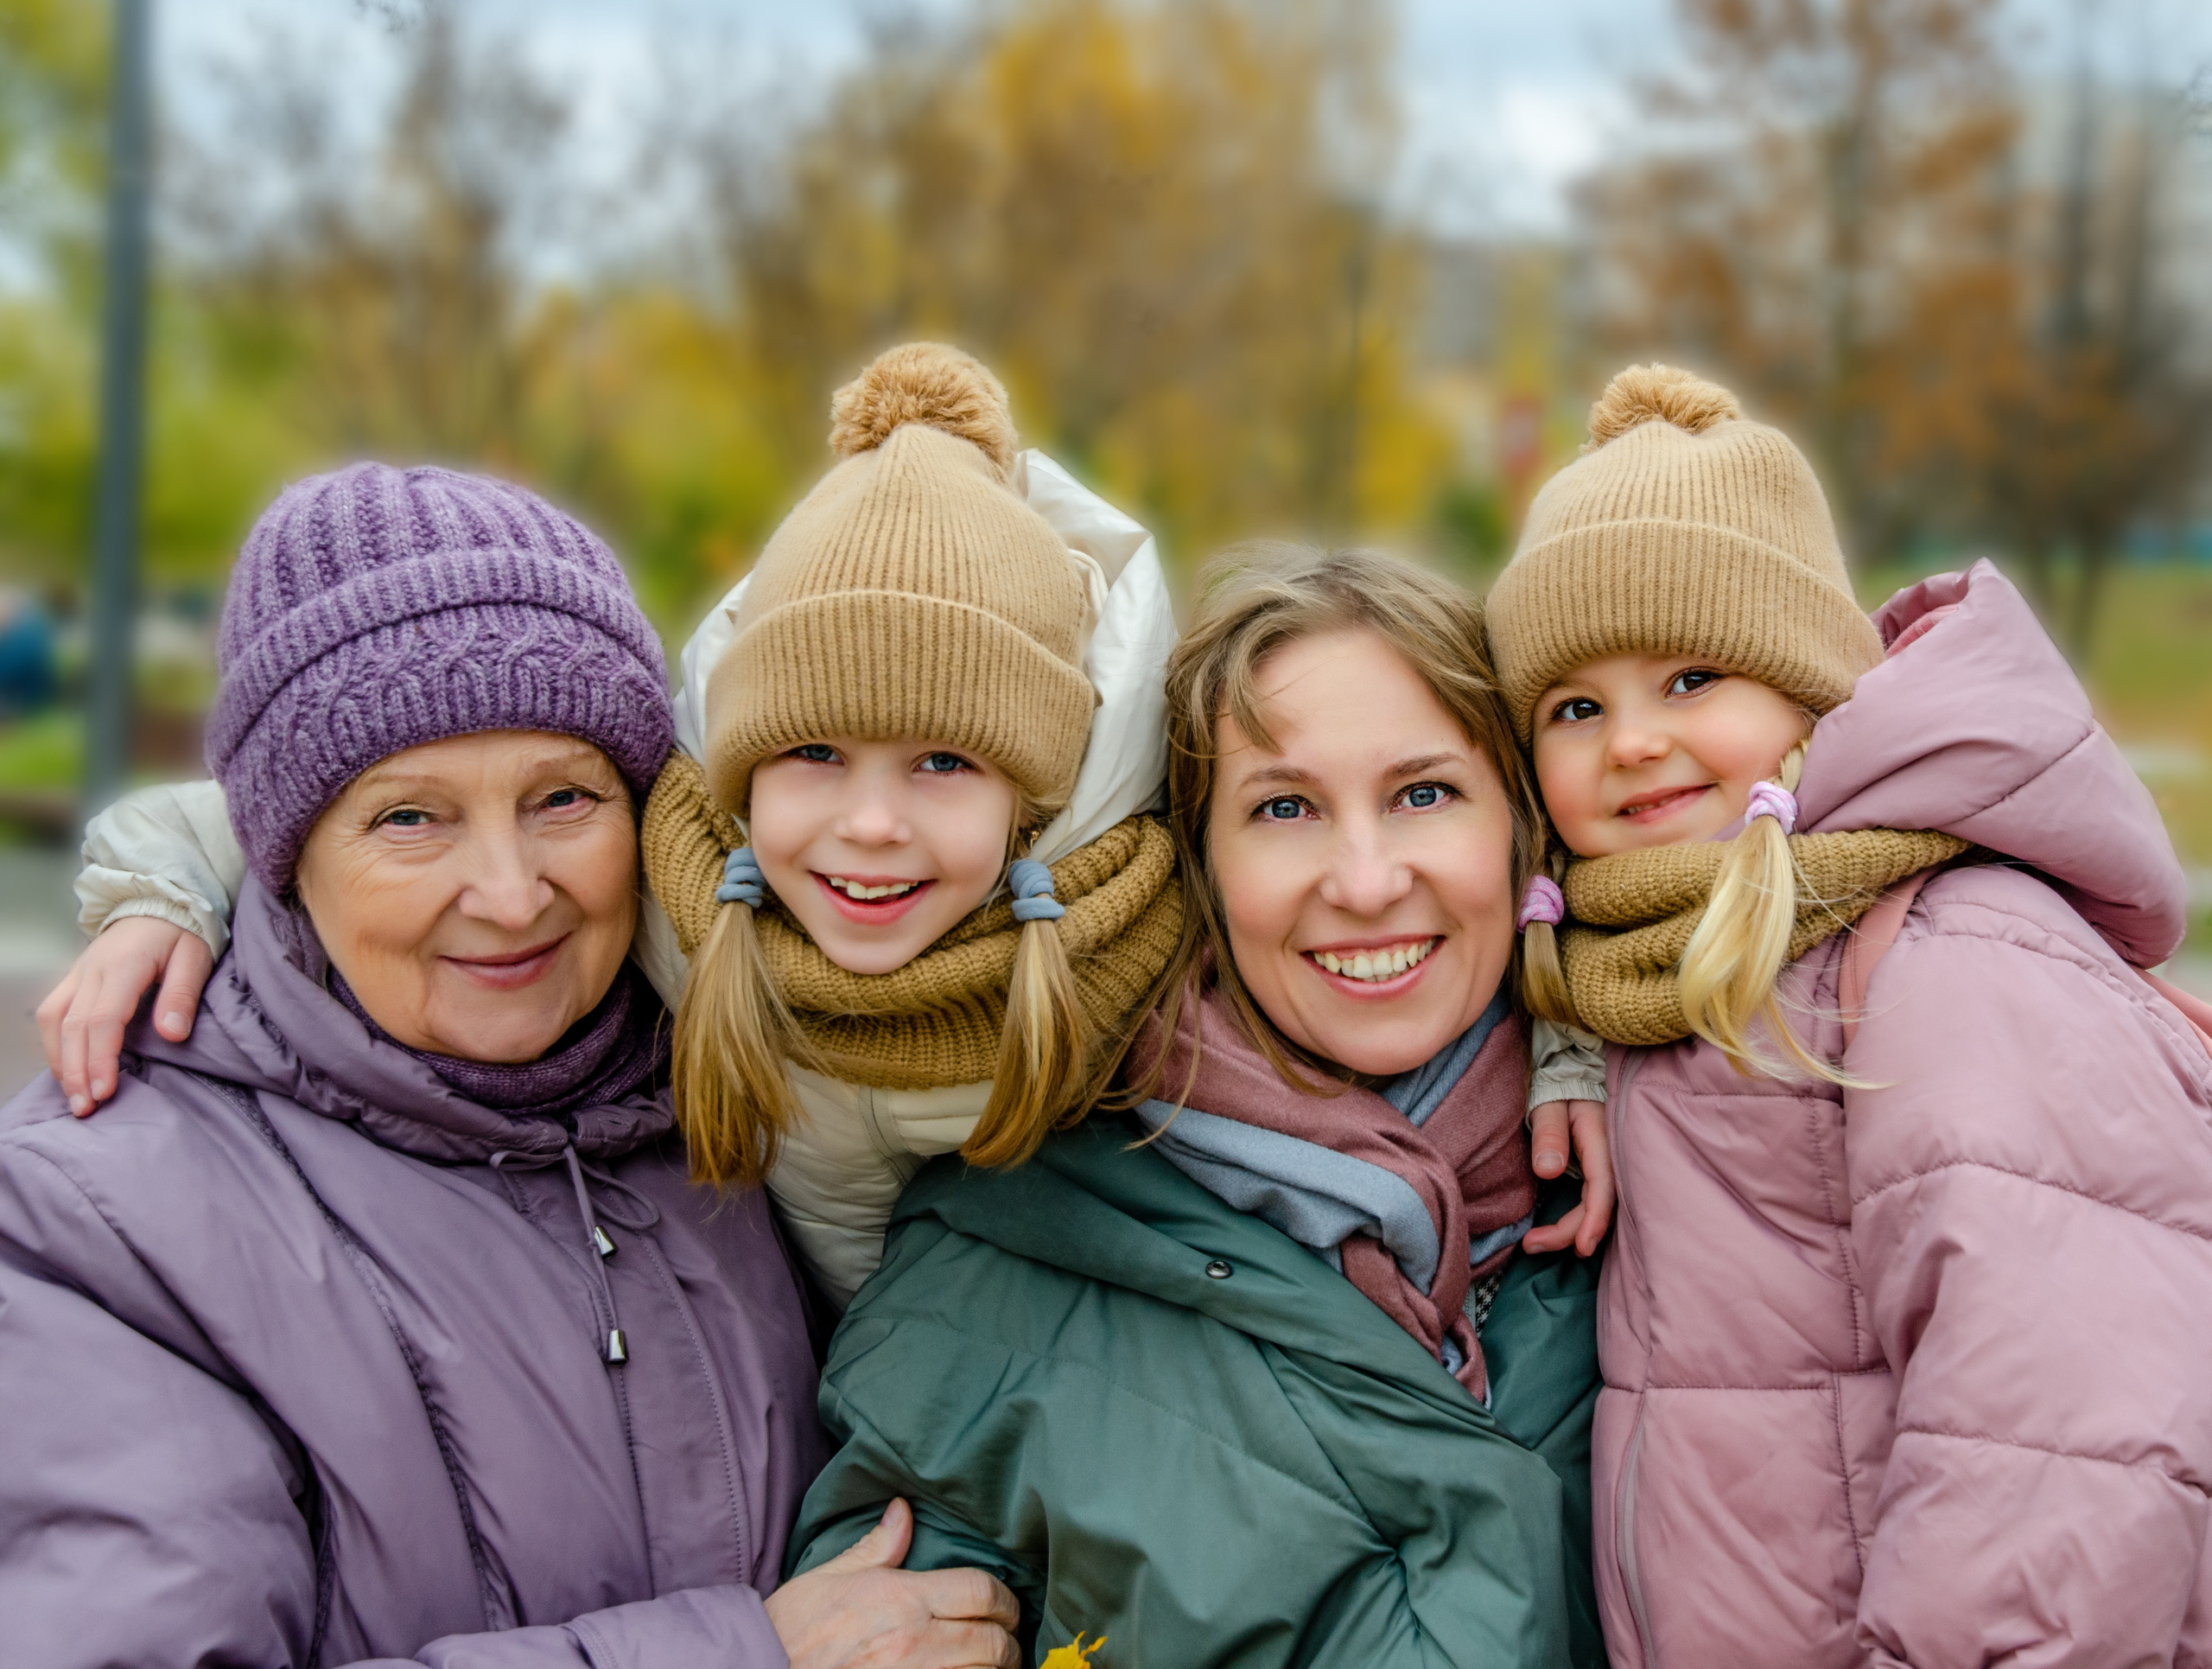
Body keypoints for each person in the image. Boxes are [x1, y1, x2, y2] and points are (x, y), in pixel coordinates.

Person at [0, 462, 1024, 1669]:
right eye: (408, 818)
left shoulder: (742, 1072)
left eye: (564, 799)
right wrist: (745, 1659)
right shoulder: (97, 1222)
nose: (510, 893)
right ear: (279, 855)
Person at [41, 342, 1187, 1312]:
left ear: (1037, 793)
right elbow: (271, 802)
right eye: (813, 753)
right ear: (737, 778)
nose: (873, 825)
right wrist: (165, 892)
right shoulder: (687, 901)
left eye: (944, 761)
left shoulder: (1144, 942)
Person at [1488, 365, 2212, 1666]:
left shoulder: (1942, 953)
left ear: (1811, 690)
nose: (1632, 741)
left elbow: (2061, 1446)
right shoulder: (1647, 971)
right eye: (1576, 707)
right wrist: (1567, 1055)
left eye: (1692, 677)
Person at [785, 546, 1610, 1668]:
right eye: (1284, 807)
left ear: (1519, 829)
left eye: (1424, 794)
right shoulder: (1003, 1255)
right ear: (1202, 865)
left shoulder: (1674, 1165)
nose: (1366, 881)